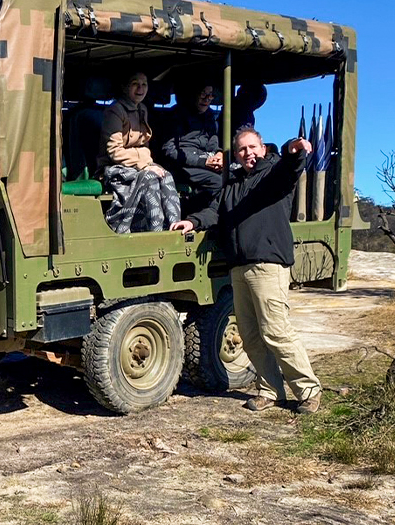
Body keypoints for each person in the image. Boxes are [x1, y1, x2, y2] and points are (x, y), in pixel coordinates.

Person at [170, 127, 323, 413]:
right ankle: (270, 391)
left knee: (276, 331)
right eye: (242, 150)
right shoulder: (233, 183)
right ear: (236, 155)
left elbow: (290, 170)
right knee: (251, 335)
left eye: (252, 147)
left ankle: (308, 390)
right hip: (239, 268)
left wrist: (294, 148)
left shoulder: (272, 173)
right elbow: (215, 211)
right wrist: (192, 222)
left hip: (268, 265)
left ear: (263, 148)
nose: (248, 153)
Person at [100, 72, 181, 233]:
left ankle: (175, 228)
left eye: (144, 84)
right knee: (149, 178)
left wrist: (147, 163)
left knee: (166, 175)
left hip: (137, 166)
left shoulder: (142, 109)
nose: (140, 88)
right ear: (124, 87)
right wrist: (144, 165)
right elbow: (114, 152)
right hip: (114, 168)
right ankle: (155, 233)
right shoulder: (115, 111)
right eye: (135, 84)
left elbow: (144, 147)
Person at [160, 83, 226, 213]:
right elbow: (169, 150)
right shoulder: (176, 115)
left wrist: (219, 155)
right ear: (192, 94)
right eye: (203, 94)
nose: (207, 99)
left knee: (233, 176)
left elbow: (213, 144)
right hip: (181, 164)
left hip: (206, 161)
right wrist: (202, 161)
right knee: (216, 182)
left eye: (210, 95)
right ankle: (193, 215)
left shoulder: (210, 116)